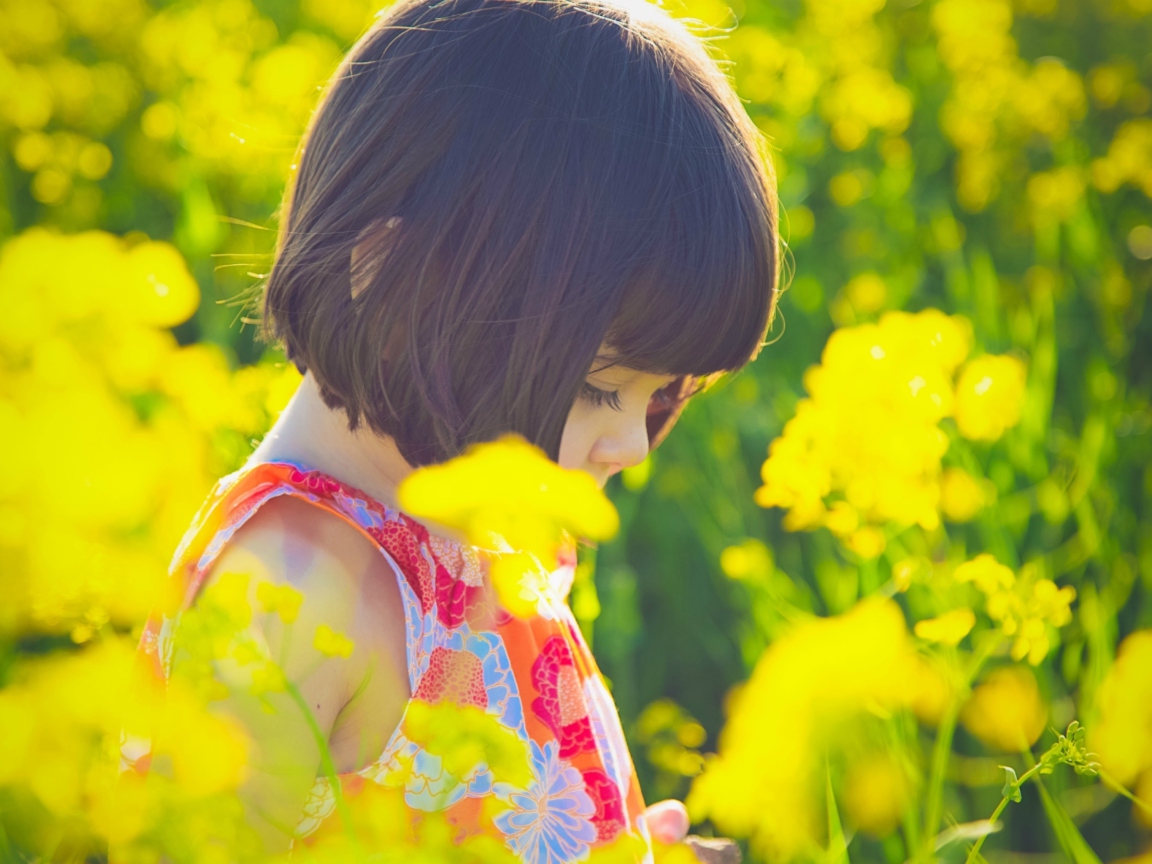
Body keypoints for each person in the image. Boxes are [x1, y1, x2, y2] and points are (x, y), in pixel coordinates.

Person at [132, 0, 778, 857]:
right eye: (594, 387)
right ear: (396, 285)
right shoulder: (288, 591)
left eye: (657, 395)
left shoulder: (475, 539)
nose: (631, 444)